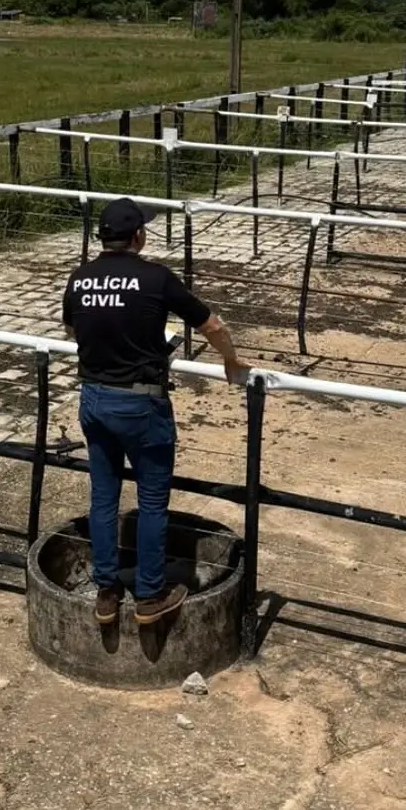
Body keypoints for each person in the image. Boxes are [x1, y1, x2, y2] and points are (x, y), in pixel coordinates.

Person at [62, 197, 250, 627]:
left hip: (93, 397)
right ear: (138, 237)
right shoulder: (155, 277)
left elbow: (73, 329)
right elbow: (212, 325)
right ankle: (150, 594)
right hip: (141, 404)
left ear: (102, 238)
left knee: (103, 497)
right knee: (150, 502)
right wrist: (231, 362)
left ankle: (106, 591)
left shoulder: (80, 278)